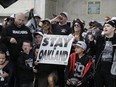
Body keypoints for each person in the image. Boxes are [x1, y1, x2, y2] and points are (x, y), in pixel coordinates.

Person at [1, 12, 32, 87]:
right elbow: (2, 39)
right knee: (11, 75)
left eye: (22, 20)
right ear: (15, 19)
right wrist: (9, 39)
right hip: (11, 57)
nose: (21, 22)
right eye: (19, 20)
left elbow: (30, 41)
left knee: (21, 77)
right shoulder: (8, 28)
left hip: (22, 57)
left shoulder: (27, 30)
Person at [88, 20, 116, 87]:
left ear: (114, 28)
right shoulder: (100, 39)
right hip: (99, 68)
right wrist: (91, 42)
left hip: (111, 70)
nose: (105, 27)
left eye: (108, 26)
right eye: (105, 26)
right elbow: (94, 52)